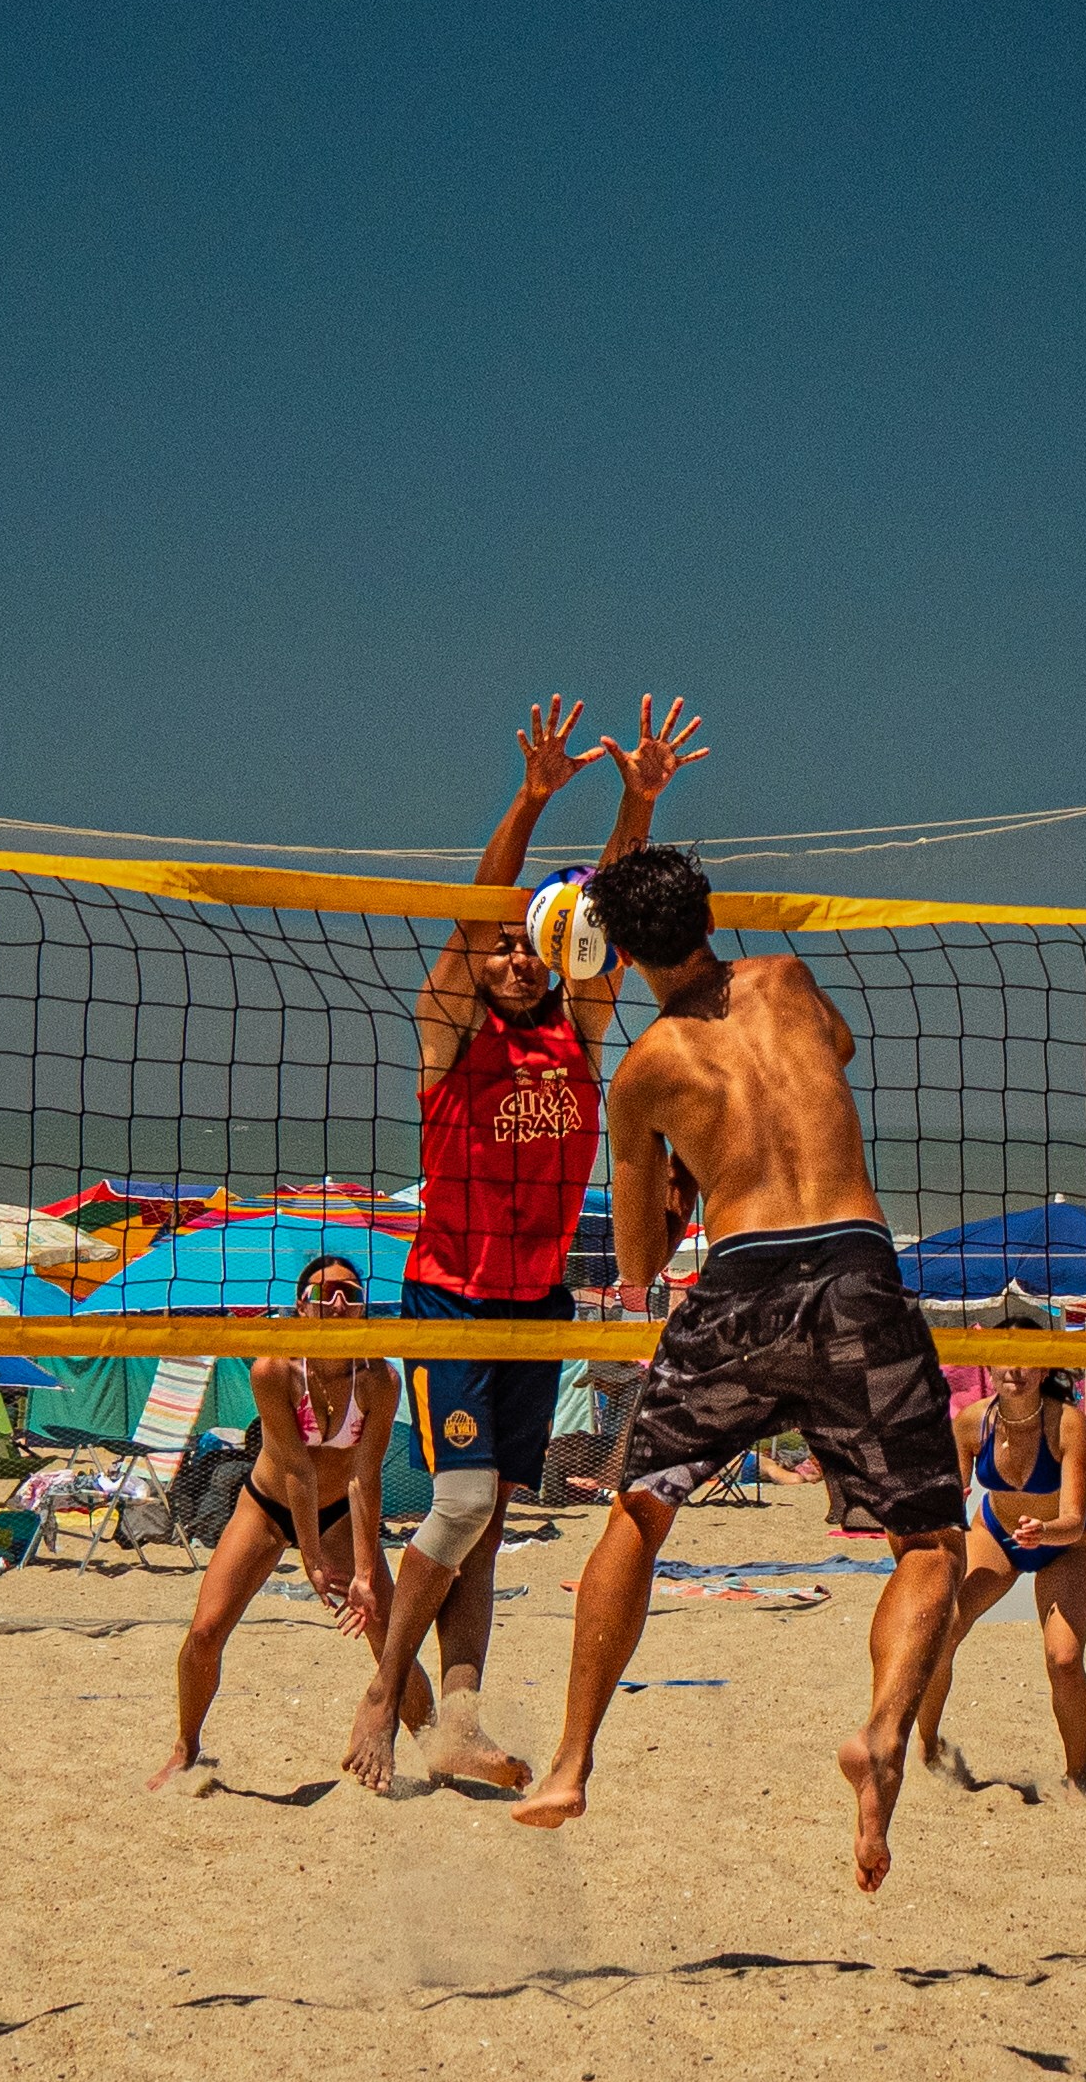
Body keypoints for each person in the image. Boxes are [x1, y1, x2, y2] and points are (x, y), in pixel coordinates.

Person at [511, 844, 965, 1892]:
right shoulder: (790, 983)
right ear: (710, 914)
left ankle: (573, 1762)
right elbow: (834, 1053)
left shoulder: (641, 1075)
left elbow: (632, 1264)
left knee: (640, 1507)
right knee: (927, 1543)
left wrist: (679, 1174)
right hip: (856, 1267)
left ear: (617, 952)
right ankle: (881, 1735)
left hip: (739, 1278)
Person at [344, 694, 707, 1797]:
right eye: (501, 948)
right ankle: (380, 1692)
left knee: (491, 1516)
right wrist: (534, 795)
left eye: (526, 947)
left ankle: (455, 1719)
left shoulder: (576, 1024)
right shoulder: (447, 1028)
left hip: (536, 1300)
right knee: (456, 1505)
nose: (511, 959)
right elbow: (467, 919)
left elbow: (602, 909)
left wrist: (635, 803)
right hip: (450, 1293)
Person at [150, 1254, 430, 1790]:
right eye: (326, 1293)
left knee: (388, 1638)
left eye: (350, 1293)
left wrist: (365, 1574)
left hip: (340, 1513)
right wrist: (311, 1559)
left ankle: (440, 1751)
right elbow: (296, 1467)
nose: (339, 1303)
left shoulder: (378, 1377)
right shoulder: (273, 1368)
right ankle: (186, 1747)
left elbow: (364, 1478)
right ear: (301, 1305)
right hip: (267, 1504)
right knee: (206, 1631)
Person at [914, 1364, 1086, 1795]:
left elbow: (1074, 1520)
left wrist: (1043, 1532)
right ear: (990, 1367)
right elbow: (950, 1503)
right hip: (1000, 1535)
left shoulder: (1067, 1422)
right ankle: (928, 1746)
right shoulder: (971, 1422)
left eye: (1024, 1359)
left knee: (1064, 1659)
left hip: (1066, 1544)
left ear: (1042, 1369)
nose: (1013, 1368)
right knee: (941, 1633)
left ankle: (1079, 1775)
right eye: (1003, 1358)